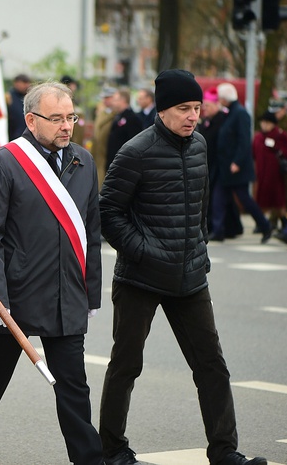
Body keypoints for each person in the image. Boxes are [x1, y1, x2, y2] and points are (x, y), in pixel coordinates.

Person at [99, 69, 267, 465]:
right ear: (162, 110)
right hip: (140, 277)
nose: (192, 115)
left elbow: (200, 205)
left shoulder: (199, 145)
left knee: (212, 366)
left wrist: (199, 246)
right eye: (183, 108)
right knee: (126, 366)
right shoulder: (136, 151)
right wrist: (143, 250)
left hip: (190, 277)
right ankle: (113, 451)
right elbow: (108, 211)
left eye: (197, 107)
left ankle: (225, 452)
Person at [0, 81, 103, 465]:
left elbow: (91, 235)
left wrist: (91, 294)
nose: (66, 126)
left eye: (70, 117)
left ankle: (88, 459)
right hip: (15, 295)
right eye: (56, 119)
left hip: (67, 293)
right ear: (31, 120)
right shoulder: (4, 161)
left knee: (73, 385)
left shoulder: (83, 162)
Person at [211, 82, 272, 243]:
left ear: (225, 98)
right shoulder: (229, 113)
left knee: (245, 200)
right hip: (225, 167)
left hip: (236, 168)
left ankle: (265, 226)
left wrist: (237, 162)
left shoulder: (240, 114)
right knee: (218, 199)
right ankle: (218, 231)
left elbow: (244, 141)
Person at [199, 88, 242, 238]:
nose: (205, 109)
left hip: (219, 164)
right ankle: (227, 227)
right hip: (208, 163)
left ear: (217, 105)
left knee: (218, 198)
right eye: (204, 106)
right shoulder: (206, 122)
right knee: (221, 199)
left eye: (208, 106)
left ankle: (222, 228)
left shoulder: (222, 120)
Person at [252, 111, 287, 228]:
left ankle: (284, 222)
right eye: (263, 122)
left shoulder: (280, 135)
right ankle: (261, 223)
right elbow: (253, 153)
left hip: (276, 175)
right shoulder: (258, 137)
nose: (264, 125)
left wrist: (277, 149)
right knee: (261, 200)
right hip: (262, 174)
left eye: (267, 123)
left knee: (278, 201)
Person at [105, 87, 143, 172]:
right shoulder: (118, 116)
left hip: (124, 166)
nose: (113, 103)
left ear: (123, 100)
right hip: (114, 163)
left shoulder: (132, 118)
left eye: (115, 100)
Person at [91, 86, 117, 188]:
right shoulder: (102, 113)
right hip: (98, 151)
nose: (105, 100)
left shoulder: (116, 114)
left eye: (107, 98)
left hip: (108, 151)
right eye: (104, 98)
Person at [7, 74, 32, 141]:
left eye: (28, 83)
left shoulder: (29, 98)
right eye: (24, 82)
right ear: (16, 83)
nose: (27, 85)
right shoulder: (8, 98)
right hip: (12, 137)